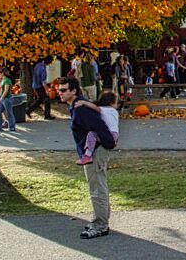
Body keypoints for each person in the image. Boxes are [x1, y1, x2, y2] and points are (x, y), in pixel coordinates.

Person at [58, 76, 115, 239]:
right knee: (96, 186)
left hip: (96, 151)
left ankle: (101, 225)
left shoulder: (81, 108)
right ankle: (100, 221)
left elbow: (100, 126)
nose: (60, 93)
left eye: (63, 90)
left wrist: (108, 144)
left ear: (73, 91)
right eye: (59, 90)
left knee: (97, 188)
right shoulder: (76, 106)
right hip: (89, 152)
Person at [74, 92, 119, 166]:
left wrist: (84, 102)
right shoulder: (114, 111)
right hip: (115, 135)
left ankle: (88, 155)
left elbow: (94, 107)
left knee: (91, 134)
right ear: (112, 103)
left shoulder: (103, 109)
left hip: (108, 134)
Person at [28, 55, 55, 119]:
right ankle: (47, 115)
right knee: (47, 99)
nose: (51, 64)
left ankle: (28, 110)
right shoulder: (43, 69)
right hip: (39, 86)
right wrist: (47, 90)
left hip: (35, 84)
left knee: (39, 100)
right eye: (51, 62)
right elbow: (43, 82)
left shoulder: (38, 65)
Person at [0, 68, 15, 132]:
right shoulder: (3, 79)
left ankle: (12, 127)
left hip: (7, 99)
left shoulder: (7, 80)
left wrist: (1, 98)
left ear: (2, 73)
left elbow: (6, 91)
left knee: (9, 113)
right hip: (2, 98)